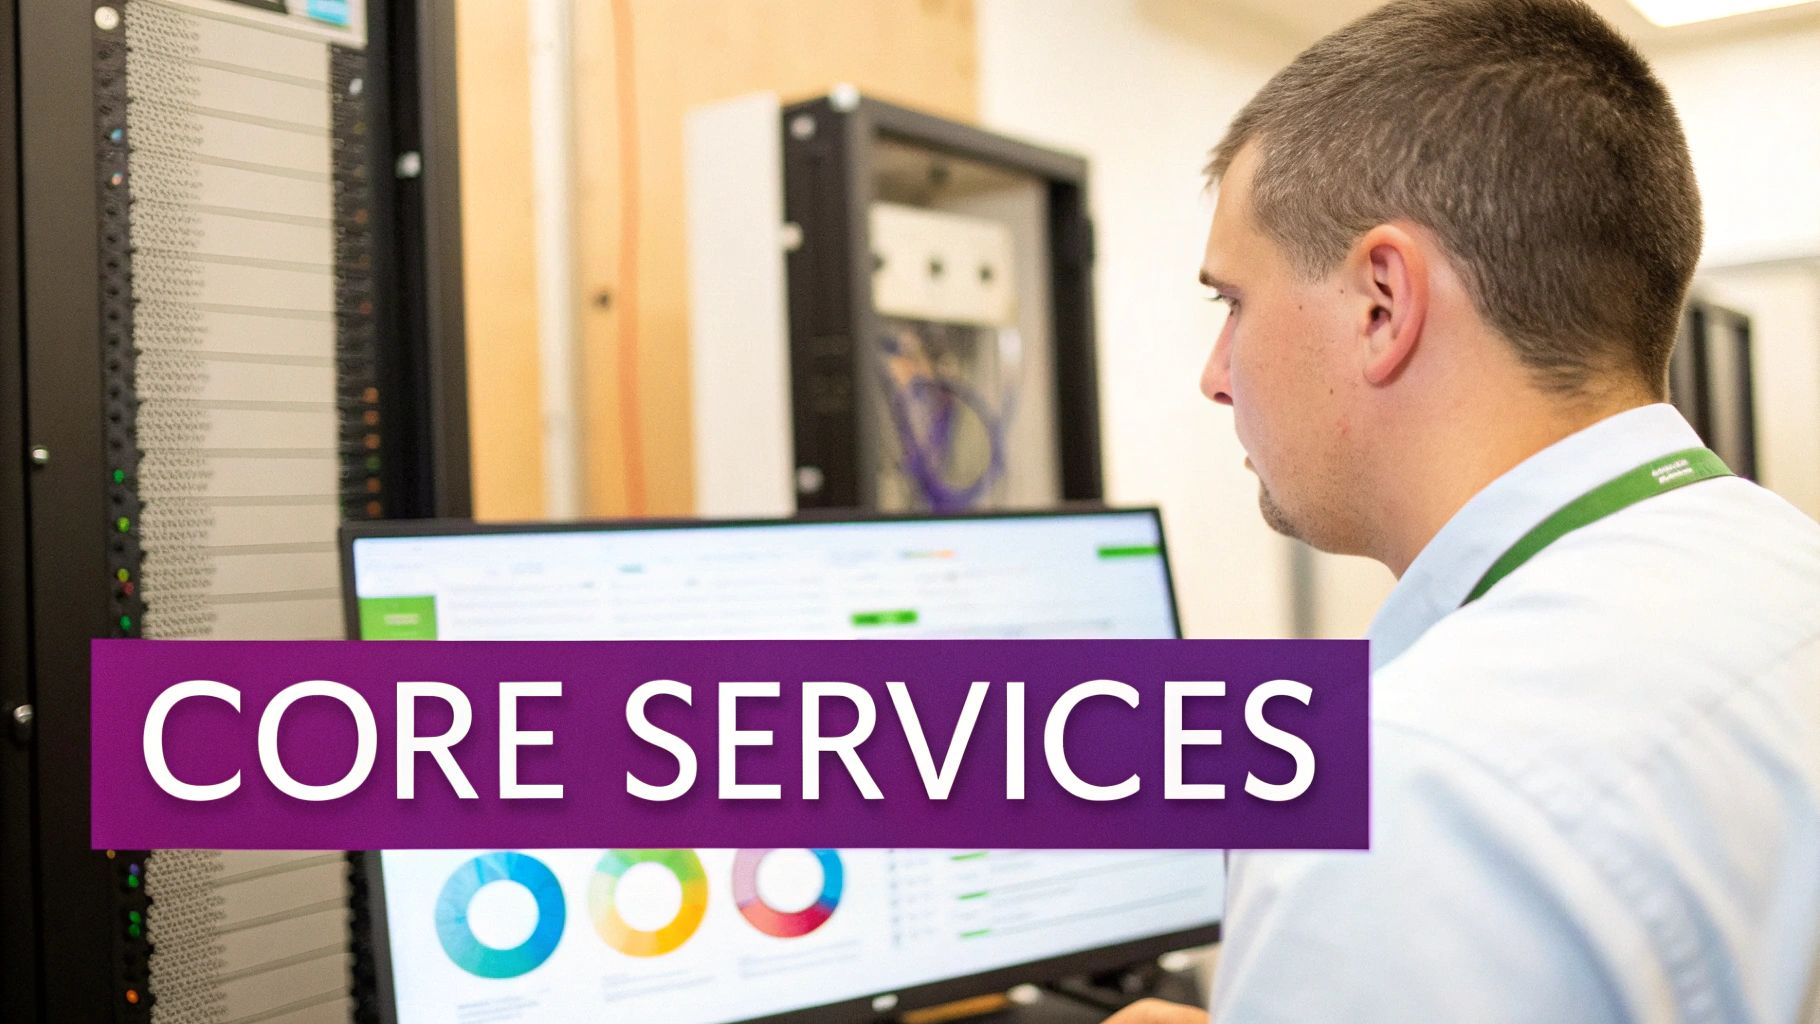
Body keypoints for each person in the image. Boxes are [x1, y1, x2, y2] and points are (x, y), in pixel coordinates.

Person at [1105, 0, 1820, 1021]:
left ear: (1381, 305)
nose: (1215, 376)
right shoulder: (1781, 569)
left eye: (1232, 303)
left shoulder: (1415, 789)